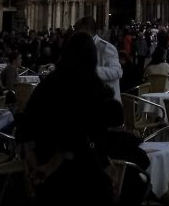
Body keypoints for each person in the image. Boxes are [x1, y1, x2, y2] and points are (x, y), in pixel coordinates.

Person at [20, 31, 114, 203]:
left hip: (44, 174)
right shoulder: (91, 85)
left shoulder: (48, 82)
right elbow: (82, 136)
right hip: (78, 178)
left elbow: (25, 126)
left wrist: (34, 164)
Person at [75, 16, 123, 101]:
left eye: (78, 31)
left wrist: (91, 71)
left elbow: (117, 71)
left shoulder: (105, 47)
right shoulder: (79, 47)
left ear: (86, 29)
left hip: (107, 102)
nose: (75, 34)